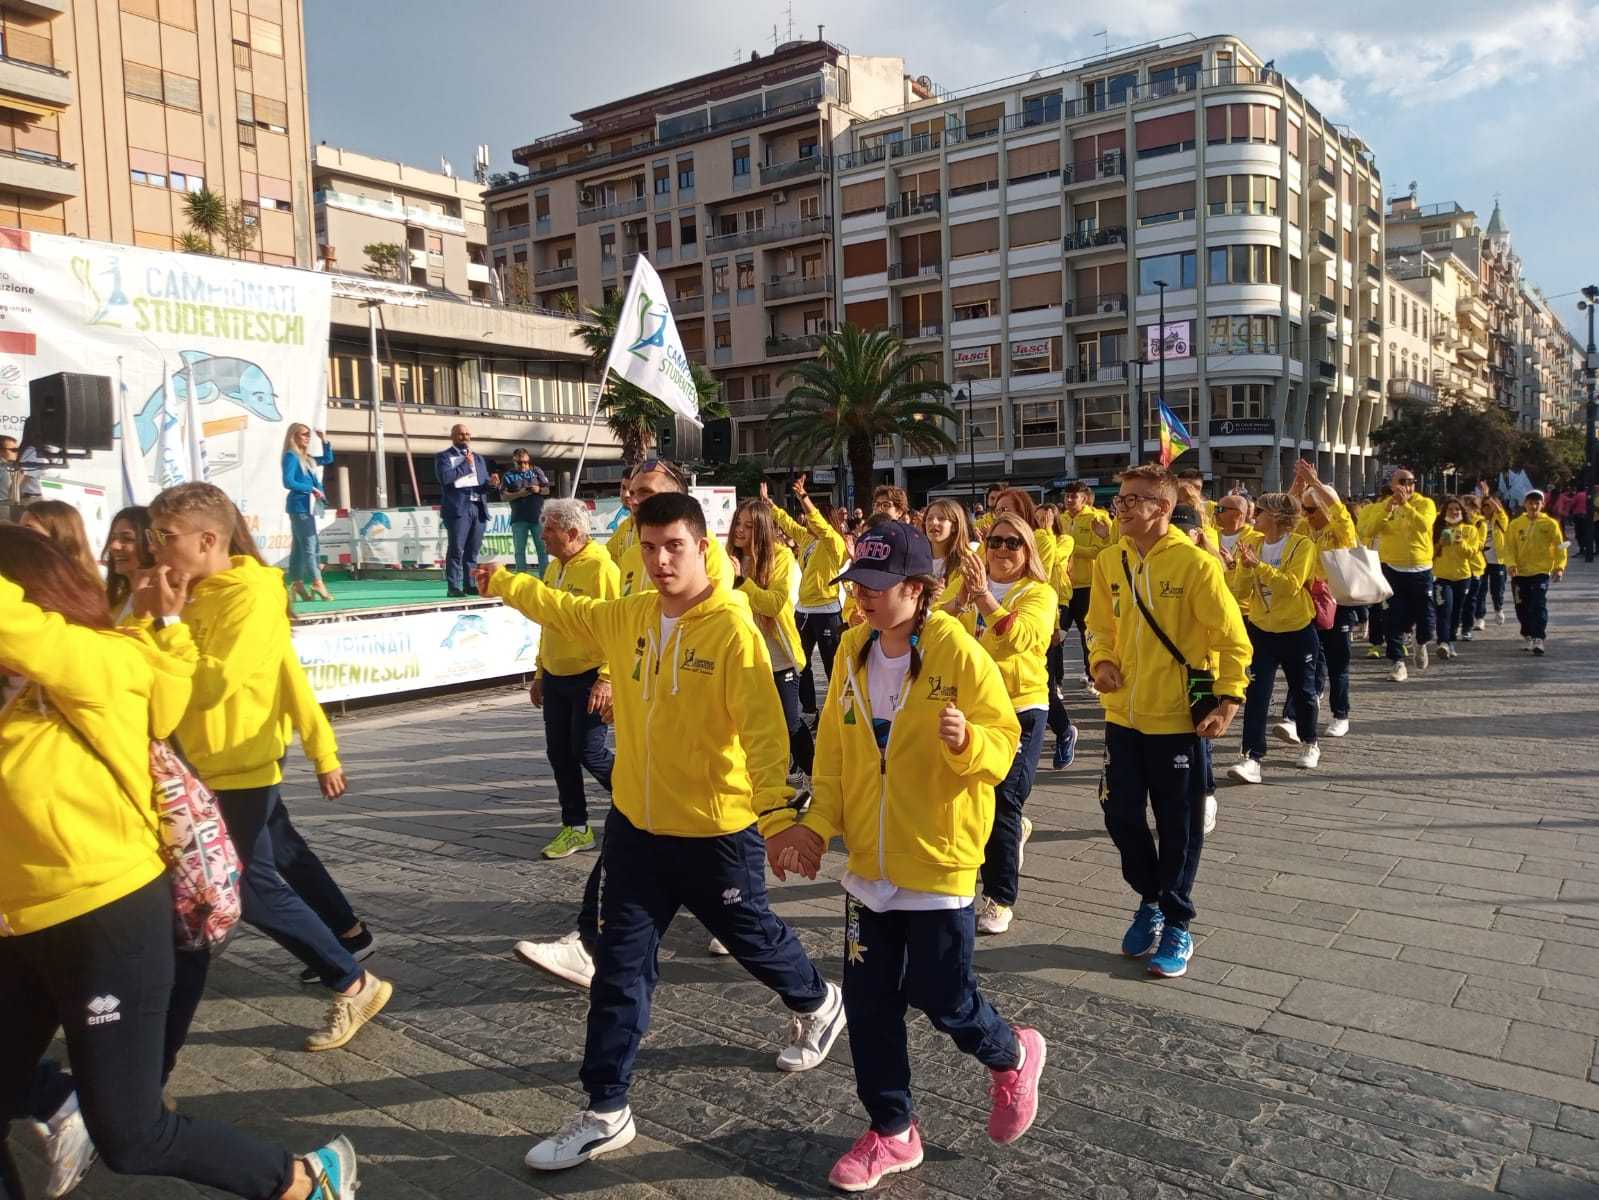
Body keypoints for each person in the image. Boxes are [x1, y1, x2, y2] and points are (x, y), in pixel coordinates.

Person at [479, 492, 846, 1172]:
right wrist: (504, 583)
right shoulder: (631, 616)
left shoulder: (733, 630)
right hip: (636, 833)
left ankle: (819, 1000)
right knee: (620, 971)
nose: (659, 561)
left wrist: (776, 819)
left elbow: (766, 736)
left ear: (702, 547)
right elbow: (568, 611)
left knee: (754, 940)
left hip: (716, 834)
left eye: (673, 546)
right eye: (648, 548)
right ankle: (604, 1110)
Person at [0, 526, 358, 1200]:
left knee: (131, 1138)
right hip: (18, 927)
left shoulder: (91, 662)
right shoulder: (27, 680)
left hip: (105, 919)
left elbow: (166, 681)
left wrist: (164, 626)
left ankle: (303, 1179)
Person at [763, 521, 1043, 1192]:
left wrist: (966, 741)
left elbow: (1003, 742)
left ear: (919, 591)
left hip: (938, 859)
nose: (861, 597)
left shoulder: (956, 649)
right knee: (870, 1004)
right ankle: (891, 1130)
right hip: (867, 870)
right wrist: (814, 827)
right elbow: (831, 756)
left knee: (944, 997)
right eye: (856, 583)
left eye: (877, 586)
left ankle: (1010, 1055)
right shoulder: (852, 652)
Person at [145, 483, 392, 1053]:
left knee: (248, 886)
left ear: (208, 539)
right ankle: (346, 956)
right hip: (200, 766)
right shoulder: (197, 592)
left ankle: (352, 978)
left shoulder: (251, 597)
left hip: (241, 765)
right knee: (258, 869)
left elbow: (209, 686)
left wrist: (165, 624)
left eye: (166, 535)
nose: (156, 546)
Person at [514, 458, 740, 984]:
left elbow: (710, 650)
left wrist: (612, 676)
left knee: (730, 882)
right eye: (630, 493)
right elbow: (607, 613)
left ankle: (808, 990)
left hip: (696, 750)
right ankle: (597, 948)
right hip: (649, 745)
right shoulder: (627, 542)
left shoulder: (710, 566)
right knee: (627, 832)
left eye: (644, 492)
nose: (632, 500)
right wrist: (511, 588)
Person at [1087, 464, 1248, 979]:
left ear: (1161, 507)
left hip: (1179, 719)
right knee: (1120, 815)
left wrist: (1227, 701)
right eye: (1121, 498)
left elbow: (1231, 640)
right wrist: (1102, 661)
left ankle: (1177, 920)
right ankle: (1151, 897)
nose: (1123, 506)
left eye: (1134, 499)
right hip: (1123, 715)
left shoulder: (1196, 565)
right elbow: (1098, 626)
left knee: (1179, 823)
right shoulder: (1110, 560)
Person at [954, 512, 1055, 935]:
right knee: (976, 798)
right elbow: (937, 626)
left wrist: (985, 600)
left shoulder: (1038, 593)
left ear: (1027, 549)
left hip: (1020, 708)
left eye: (1012, 542)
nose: (1001, 549)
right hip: (973, 707)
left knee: (1003, 803)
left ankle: (999, 897)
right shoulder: (968, 585)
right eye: (994, 541)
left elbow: (1024, 638)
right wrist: (961, 599)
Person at [522, 498, 619, 864]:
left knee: (588, 751)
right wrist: (540, 672)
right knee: (559, 754)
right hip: (556, 678)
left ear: (573, 533)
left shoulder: (600, 567)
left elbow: (615, 626)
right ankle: (576, 827)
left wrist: (607, 678)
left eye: (549, 529)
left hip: (589, 677)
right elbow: (548, 623)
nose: (542, 536)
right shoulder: (552, 568)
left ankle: (643, 802)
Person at [1224, 492, 1322, 784]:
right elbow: (1241, 591)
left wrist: (1259, 567)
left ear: (1278, 517)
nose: (1255, 516)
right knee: (1256, 693)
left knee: (1303, 691)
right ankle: (1251, 757)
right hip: (1260, 630)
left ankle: (1310, 741)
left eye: (1261, 511)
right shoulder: (1252, 543)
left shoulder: (1302, 545)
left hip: (1297, 629)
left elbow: (1291, 586)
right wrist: (1236, 568)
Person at [730, 498, 814, 787]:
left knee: (789, 723)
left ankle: (817, 775)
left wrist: (743, 581)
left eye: (749, 526)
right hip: (744, 659)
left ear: (763, 529)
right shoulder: (728, 558)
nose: (740, 530)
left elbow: (774, 604)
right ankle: (771, 780)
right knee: (752, 728)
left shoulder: (781, 557)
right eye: (738, 523)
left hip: (780, 659)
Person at [766, 475, 849, 720]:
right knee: (801, 662)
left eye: (813, 517)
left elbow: (820, 525)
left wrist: (804, 496)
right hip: (804, 611)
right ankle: (810, 709)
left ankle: (835, 712)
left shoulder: (834, 543)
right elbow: (789, 525)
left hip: (827, 612)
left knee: (831, 664)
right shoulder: (806, 539)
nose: (807, 520)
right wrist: (770, 506)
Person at [1287, 461, 1357, 740]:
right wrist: (1297, 486)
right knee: (1307, 658)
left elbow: (1339, 510)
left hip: (1337, 600)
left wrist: (1316, 483)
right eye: (1304, 509)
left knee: (1338, 661)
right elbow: (1285, 513)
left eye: (1311, 509)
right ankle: (1297, 713)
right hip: (1307, 598)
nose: (1306, 514)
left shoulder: (1341, 529)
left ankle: (1341, 714)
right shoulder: (1303, 527)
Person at [1359, 467, 1436, 682]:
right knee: (1393, 617)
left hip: (1421, 568)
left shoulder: (1425, 504)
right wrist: (1387, 510)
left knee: (1426, 618)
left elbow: (1424, 526)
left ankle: (1420, 642)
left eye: (1411, 482)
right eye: (1402, 481)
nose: (1407, 486)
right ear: (1392, 485)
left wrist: (1406, 506)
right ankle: (1397, 662)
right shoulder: (1382, 506)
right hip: (1392, 567)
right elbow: (1368, 531)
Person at [1059, 481, 1115, 683]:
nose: (1069, 500)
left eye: (1074, 496)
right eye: (1067, 496)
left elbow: (1103, 550)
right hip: (1064, 586)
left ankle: (1092, 676)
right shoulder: (1060, 519)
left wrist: (1072, 548)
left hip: (1088, 585)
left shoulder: (1097, 518)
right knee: (1058, 634)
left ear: (1084, 498)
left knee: (1088, 634)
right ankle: (1057, 680)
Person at [1506, 489, 1567, 656]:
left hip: (1541, 571)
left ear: (1542, 504)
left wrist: (1560, 567)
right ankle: (1528, 634)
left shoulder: (1550, 524)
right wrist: (1511, 564)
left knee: (1538, 603)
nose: (1533, 506)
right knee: (1521, 607)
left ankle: (1539, 637)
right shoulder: (1515, 524)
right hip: (1519, 572)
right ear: (1524, 504)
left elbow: (1560, 547)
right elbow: (1509, 547)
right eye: (1530, 502)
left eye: (1537, 502)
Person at [280, 423, 334, 603]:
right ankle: (317, 582)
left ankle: (297, 583)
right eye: (304, 435)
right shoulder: (291, 456)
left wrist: (324, 440)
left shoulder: (307, 458)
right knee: (311, 546)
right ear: (294, 436)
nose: (307, 438)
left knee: (298, 548)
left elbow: (327, 459)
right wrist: (310, 488)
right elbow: (288, 482)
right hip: (299, 506)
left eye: (308, 435)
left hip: (308, 506)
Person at [435, 423, 491, 597]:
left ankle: (470, 584)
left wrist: (492, 484)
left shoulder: (479, 458)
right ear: (452, 436)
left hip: (478, 507)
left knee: (473, 550)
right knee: (456, 549)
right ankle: (453, 587)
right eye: (460, 434)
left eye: (467, 434)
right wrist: (465, 466)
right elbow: (445, 478)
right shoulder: (444, 457)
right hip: (458, 509)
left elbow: (482, 486)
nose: (464, 437)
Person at [1431, 496, 1480, 660]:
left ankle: (1451, 640)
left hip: (1462, 576)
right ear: (1444, 511)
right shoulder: (1437, 528)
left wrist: (1460, 541)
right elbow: (1429, 553)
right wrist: (1439, 545)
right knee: (1444, 610)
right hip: (1441, 576)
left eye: (1457, 509)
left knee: (1456, 611)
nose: (1454, 512)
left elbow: (1472, 552)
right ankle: (1443, 642)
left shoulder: (1470, 529)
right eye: (1450, 509)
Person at [19, 501, 103, 592]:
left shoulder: (80, 588)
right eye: (18, 527)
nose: (17, 533)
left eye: (28, 528)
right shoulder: (21, 574)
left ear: (59, 534)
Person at [500, 447, 552, 575]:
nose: (523, 465)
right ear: (514, 461)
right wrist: (520, 494)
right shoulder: (508, 475)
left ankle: (545, 579)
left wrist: (538, 489)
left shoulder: (536, 470)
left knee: (542, 550)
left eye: (525, 462)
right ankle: (522, 579)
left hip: (538, 517)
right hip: (519, 518)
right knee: (519, 551)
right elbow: (503, 496)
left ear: (529, 461)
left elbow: (547, 490)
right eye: (520, 462)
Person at [103, 505, 155, 621]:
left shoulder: (163, 601)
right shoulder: (117, 599)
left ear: (152, 544)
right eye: (112, 538)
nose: (114, 546)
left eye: (127, 539)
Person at [1477, 488, 1512, 627]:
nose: (1486, 508)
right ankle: (1480, 617)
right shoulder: (1478, 521)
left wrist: (1487, 496)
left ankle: (1498, 609)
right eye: (1483, 506)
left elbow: (1500, 511)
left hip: (1497, 560)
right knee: (1480, 590)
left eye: (1489, 505)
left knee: (1497, 589)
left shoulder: (1500, 520)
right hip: (1481, 560)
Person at [0, 433, 42, 520]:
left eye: (18, 449)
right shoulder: (4, 468)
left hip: (26, 500)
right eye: (14, 450)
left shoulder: (11, 465)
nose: (18, 453)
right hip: (9, 504)